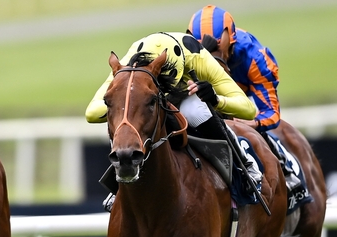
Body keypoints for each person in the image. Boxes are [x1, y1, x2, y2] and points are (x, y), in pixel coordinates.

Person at [85, 31, 261, 209]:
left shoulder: (197, 58)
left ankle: (244, 163)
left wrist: (215, 99)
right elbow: (91, 113)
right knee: (123, 114)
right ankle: (120, 181)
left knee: (195, 111)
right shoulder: (129, 63)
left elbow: (248, 109)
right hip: (147, 101)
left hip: (185, 95)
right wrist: (122, 104)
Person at [187, 5, 281, 132]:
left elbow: (271, 113)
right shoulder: (186, 54)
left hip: (249, 100)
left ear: (231, 41)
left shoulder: (255, 58)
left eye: (218, 49)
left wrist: (255, 123)